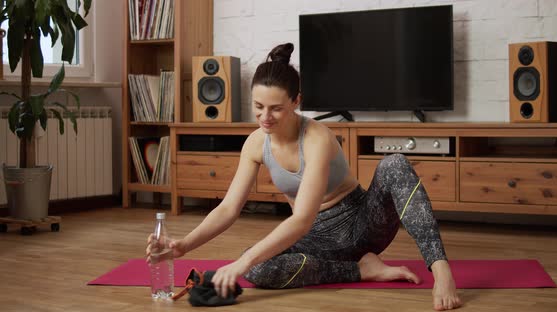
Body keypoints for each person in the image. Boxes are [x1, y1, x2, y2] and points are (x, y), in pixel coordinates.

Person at [146, 43, 462, 311]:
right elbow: (229, 209)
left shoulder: (317, 139)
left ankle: (442, 271)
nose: (265, 118)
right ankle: (360, 270)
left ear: (297, 102)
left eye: (276, 108)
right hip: (317, 241)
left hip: (362, 225)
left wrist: (238, 265)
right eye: (258, 107)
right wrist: (184, 245)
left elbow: (301, 219)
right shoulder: (256, 143)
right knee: (256, 267)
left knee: (394, 163)